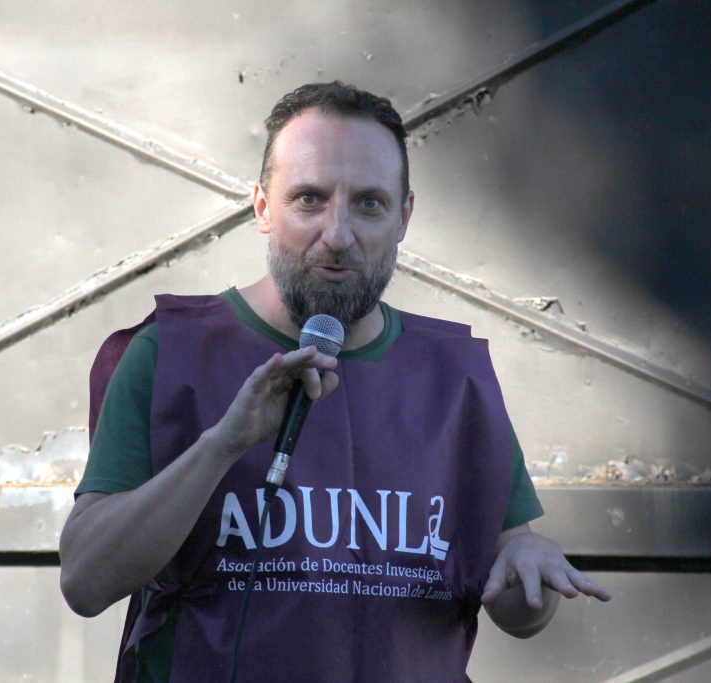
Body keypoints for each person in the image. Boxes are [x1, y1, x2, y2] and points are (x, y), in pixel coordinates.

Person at [60, 81, 611, 681]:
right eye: (309, 199)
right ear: (262, 207)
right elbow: (86, 583)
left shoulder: (454, 377)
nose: (339, 235)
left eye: (369, 204)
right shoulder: (170, 354)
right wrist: (221, 445)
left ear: (403, 218)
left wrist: (530, 558)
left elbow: (518, 606)